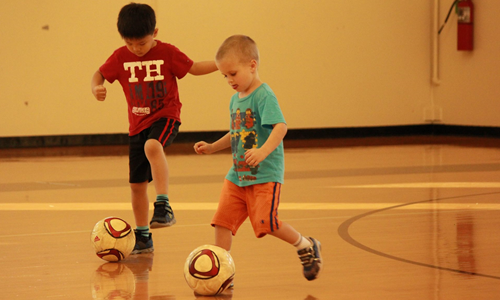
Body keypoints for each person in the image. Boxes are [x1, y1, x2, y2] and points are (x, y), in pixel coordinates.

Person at [91, 3, 217, 254]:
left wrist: (220, 63)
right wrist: (96, 87)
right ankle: (143, 235)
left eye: (142, 43)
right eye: (130, 44)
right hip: (136, 125)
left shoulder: (168, 53)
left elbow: (193, 68)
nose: (136, 49)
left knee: (153, 145)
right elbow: (99, 73)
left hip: (166, 116)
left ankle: (163, 205)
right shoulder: (120, 57)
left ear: (155, 33)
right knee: (137, 185)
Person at [193, 35, 322, 281]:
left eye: (233, 73)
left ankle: (306, 245)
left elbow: (280, 127)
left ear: (252, 66)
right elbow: (236, 132)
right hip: (237, 175)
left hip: (264, 174)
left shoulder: (264, 95)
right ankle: (222, 272)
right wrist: (212, 147)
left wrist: (263, 151)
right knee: (222, 222)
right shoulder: (235, 99)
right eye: (225, 76)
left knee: (267, 222)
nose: (229, 80)